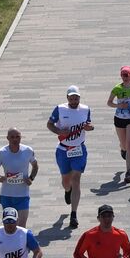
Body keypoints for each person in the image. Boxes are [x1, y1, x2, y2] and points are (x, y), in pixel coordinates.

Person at [46, 87, 94, 229]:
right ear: (67, 98)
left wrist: (89, 128)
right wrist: (59, 131)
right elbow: (49, 124)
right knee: (66, 181)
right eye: (71, 98)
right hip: (63, 150)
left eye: (76, 98)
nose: (74, 101)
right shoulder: (60, 109)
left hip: (79, 149)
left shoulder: (85, 109)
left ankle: (74, 214)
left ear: (79, 98)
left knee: (76, 179)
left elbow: (89, 124)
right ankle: (68, 191)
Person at [0, 128, 39, 227]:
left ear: (21, 138)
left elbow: (35, 166)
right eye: (12, 137)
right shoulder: (1, 153)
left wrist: (31, 178)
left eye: (17, 137)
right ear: (7, 138)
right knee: (9, 226)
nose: (15, 139)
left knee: (21, 227)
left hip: (23, 195)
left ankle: (21, 242)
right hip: (7, 195)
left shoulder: (27, 150)